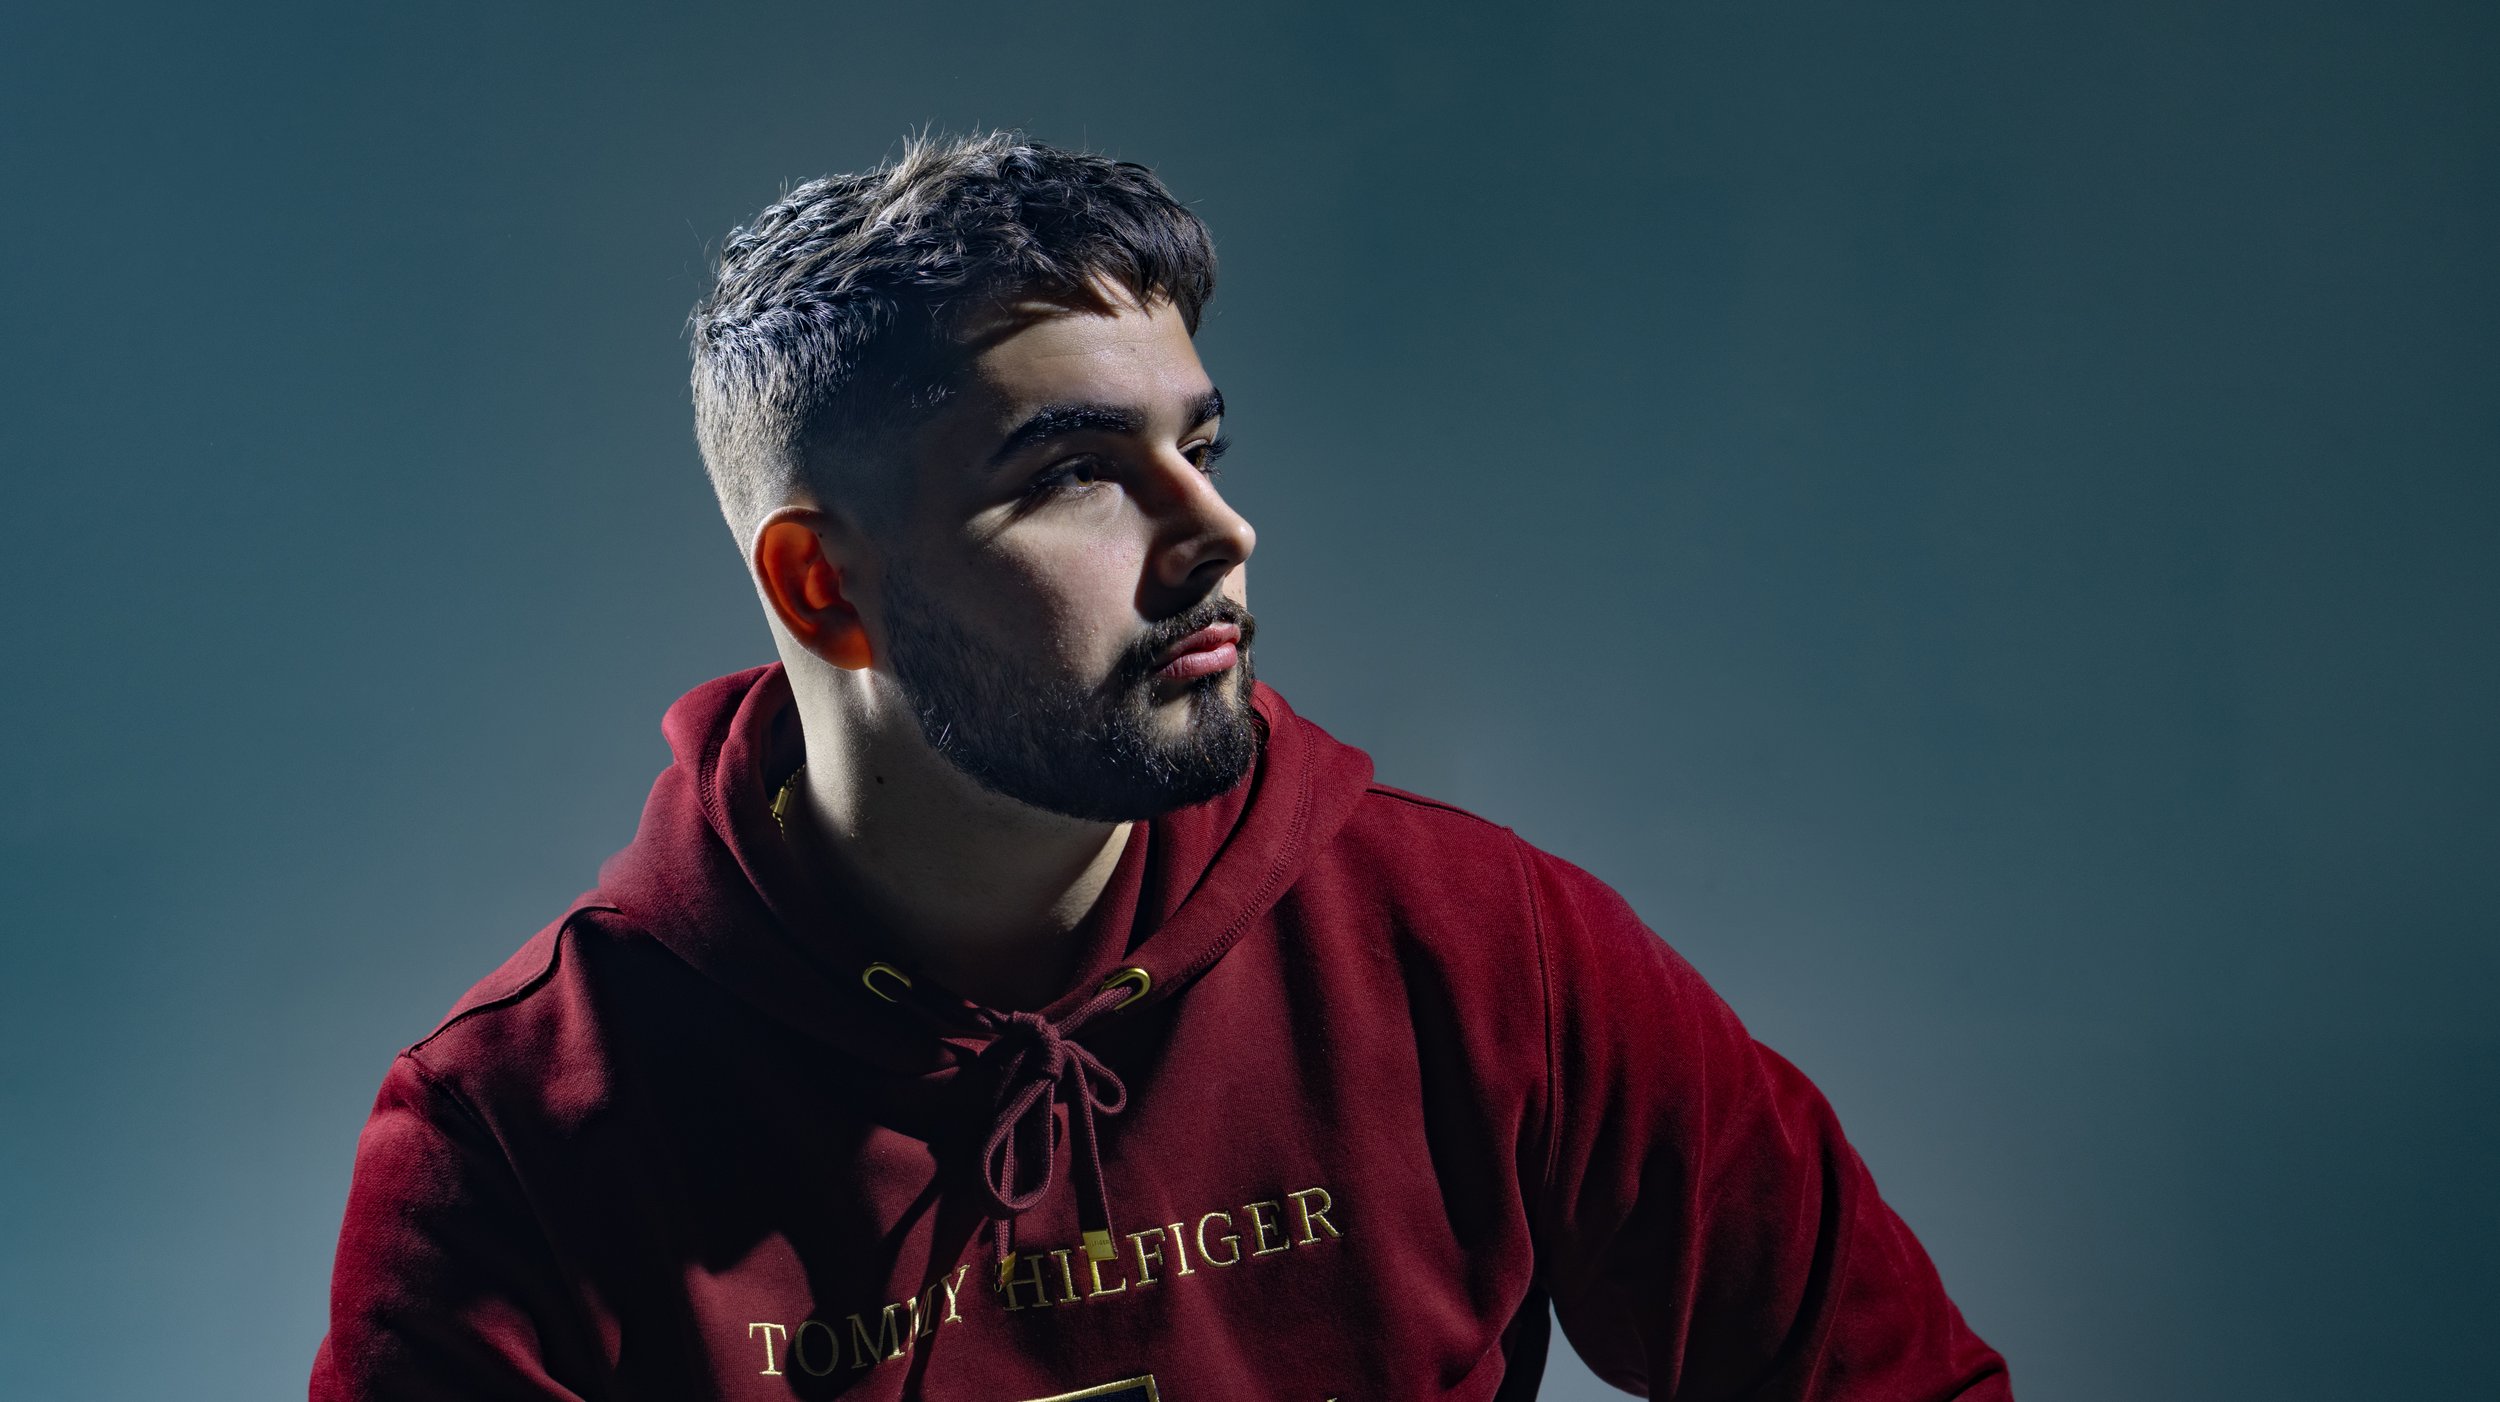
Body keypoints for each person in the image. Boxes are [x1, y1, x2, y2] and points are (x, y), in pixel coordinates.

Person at [311, 131, 2011, 1402]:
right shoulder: (518, 1135)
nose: (1219, 530)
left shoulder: (1485, 948)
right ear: (824, 586)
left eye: (1197, 444)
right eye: (1073, 472)